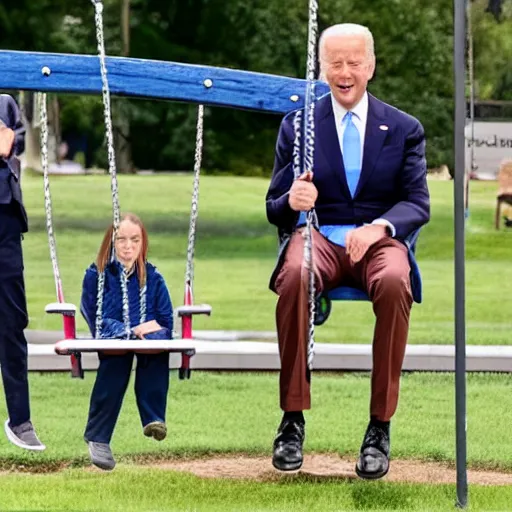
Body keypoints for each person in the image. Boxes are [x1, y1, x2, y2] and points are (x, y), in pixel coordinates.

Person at [266, 24, 430, 479]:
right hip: (317, 238)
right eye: (334, 63)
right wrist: (291, 202)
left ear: (370, 66)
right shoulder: (299, 126)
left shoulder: (403, 129)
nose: (344, 72)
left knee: (397, 281)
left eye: (353, 63)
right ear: (322, 68)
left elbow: (418, 202)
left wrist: (379, 228)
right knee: (297, 272)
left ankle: (380, 426)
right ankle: (292, 420)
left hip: (380, 243)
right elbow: (274, 207)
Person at [81, 213, 173, 471]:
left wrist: (151, 332)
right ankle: (98, 438)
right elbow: (95, 315)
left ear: (143, 243)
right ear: (111, 243)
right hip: (114, 340)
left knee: (155, 352)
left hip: (147, 340)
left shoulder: (153, 278)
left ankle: (154, 417)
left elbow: (166, 320)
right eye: (121, 239)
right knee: (117, 363)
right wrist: (128, 331)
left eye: (135, 240)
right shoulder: (97, 276)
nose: (128, 246)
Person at [0, 94, 46, 451]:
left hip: (5, 222)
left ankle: (21, 419)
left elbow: (12, 142)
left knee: (12, 324)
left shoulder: (5, 104)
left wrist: (7, 140)